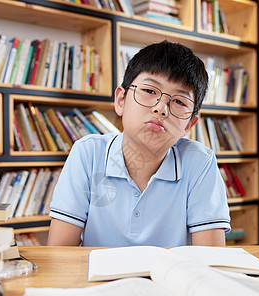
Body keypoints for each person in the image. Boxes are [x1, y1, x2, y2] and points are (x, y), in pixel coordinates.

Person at [47, 40, 230, 247]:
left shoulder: (200, 163)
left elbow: (210, 260)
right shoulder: (88, 153)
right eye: (150, 91)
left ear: (189, 124)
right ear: (121, 100)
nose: (161, 109)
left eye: (179, 102)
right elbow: (59, 255)